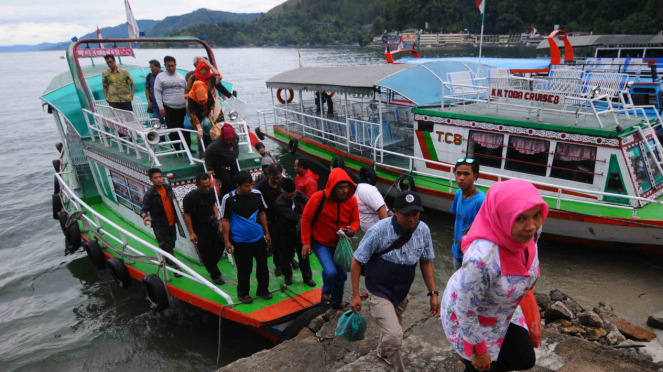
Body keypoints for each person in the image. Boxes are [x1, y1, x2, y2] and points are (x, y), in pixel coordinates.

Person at [441, 179, 547, 372]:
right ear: (501, 216)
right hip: (474, 315)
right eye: (520, 218)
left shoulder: (529, 235)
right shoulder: (481, 260)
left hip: (503, 310)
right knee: (483, 367)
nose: (531, 226)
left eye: (536, 215)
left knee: (524, 359)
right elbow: (464, 309)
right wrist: (479, 352)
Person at [350, 191, 439, 372]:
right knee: (395, 335)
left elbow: (426, 261)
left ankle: (382, 351)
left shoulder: (423, 230)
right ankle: (399, 368)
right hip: (378, 289)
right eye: (407, 214)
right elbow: (357, 260)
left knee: (393, 330)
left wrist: (433, 294)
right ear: (396, 211)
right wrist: (355, 295)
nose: (412, 219)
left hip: (401, 290)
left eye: (416, 214)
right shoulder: (378, 231)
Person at [301, 168, 360, 308]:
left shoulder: (351, 200)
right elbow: (306, 219)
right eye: (341, 188)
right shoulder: (318, 198)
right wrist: (306, 242)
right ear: (332, 187)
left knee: (342, 276)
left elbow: (355, 220)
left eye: (347, 187)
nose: (345, 191)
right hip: (321, 243)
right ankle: (326, 291)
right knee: (330, 271)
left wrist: (352, 229)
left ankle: (337, 301)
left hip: (340, 244)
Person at [221, 171, 272, 304]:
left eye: (251, 185)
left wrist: (267, 233)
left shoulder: (257, 195)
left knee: (263, 266)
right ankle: (243, 293)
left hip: (258, 238)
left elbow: (262, 213)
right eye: (246, 186)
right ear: (238, 185)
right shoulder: (228, 199)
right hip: (240, 242)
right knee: (244, 270)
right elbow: (225, 221)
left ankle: (263, 290)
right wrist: (227, 241)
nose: (249, 188)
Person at [183, 173, 225, 285]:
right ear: (196, 184)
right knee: (205, 251)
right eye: (204, 186)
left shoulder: (210, 191)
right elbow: (187, 215)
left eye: (208, 185)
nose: (207, 188)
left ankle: (211, 264)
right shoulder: (190, 198)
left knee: (221, 244)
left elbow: (213, 206)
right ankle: (215, 275)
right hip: (199, 227)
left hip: (212, 223)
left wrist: (218, 219)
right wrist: (191, 233)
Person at [273, 177, 316, 287]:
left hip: (298, 231)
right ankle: (288, 276)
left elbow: (310, 203)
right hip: (283, 232)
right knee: (285, 255)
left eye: (293, 195)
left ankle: (307, 277)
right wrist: (306, 217)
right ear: (283, 192)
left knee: (303, 255)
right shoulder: (279, 203)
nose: (292, 198)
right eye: (289, 196)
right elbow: (293, 216)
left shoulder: (297, 194)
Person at [140, 168, 182, 276]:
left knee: (172, 243)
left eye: (160, 177)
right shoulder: (149, 194)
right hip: (159, 225)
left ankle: (166, 258)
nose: (159, 180)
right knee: (167, 245)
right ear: (151, 180)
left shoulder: (168, 188)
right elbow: (144, 209)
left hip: (171, 223)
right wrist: (144, 217)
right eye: (156, 178)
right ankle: (176, 268)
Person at [451, 158, 486, 271]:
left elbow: (485, 231)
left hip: (471, 256)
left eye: (466, 174)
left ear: (475, 176)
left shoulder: (480, 201)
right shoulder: (458, 193)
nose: (461, 178)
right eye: (458, 173)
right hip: (457, 250)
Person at [256, 164, 288, 272]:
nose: (276, 180)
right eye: (273, 178)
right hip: (270, 218)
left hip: (283, 217)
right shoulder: (261, 187)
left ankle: (290, 259)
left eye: (278, 178)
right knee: (275, 243)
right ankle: (278, 264)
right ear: (268, 175)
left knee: (287, 240)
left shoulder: (284, 183)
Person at [154, 56, 189, 151]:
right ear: (165, 65)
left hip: (183, 107)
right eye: (169, 66)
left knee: (185, 128)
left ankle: (187, 148)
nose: (171, 68)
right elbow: (157, 93)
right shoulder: (160, 77)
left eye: (173, 66)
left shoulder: (181, 76)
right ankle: (176, 148)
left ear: (175, 65)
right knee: (173, 129)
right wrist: (161, 108)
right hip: (169, 107)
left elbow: (186, 91)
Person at [204, 123, 239, 197]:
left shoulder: (236, 138)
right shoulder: (216, 144)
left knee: (236, 180)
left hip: (232, 163)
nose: (229, 142)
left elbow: (236, 145)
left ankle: (236, 196)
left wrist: (236, 154)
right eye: (227, 140)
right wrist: (209, 168)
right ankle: (225, 198)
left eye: (231, 140)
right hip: (220, 165)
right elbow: (207, 154)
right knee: (227, 182)